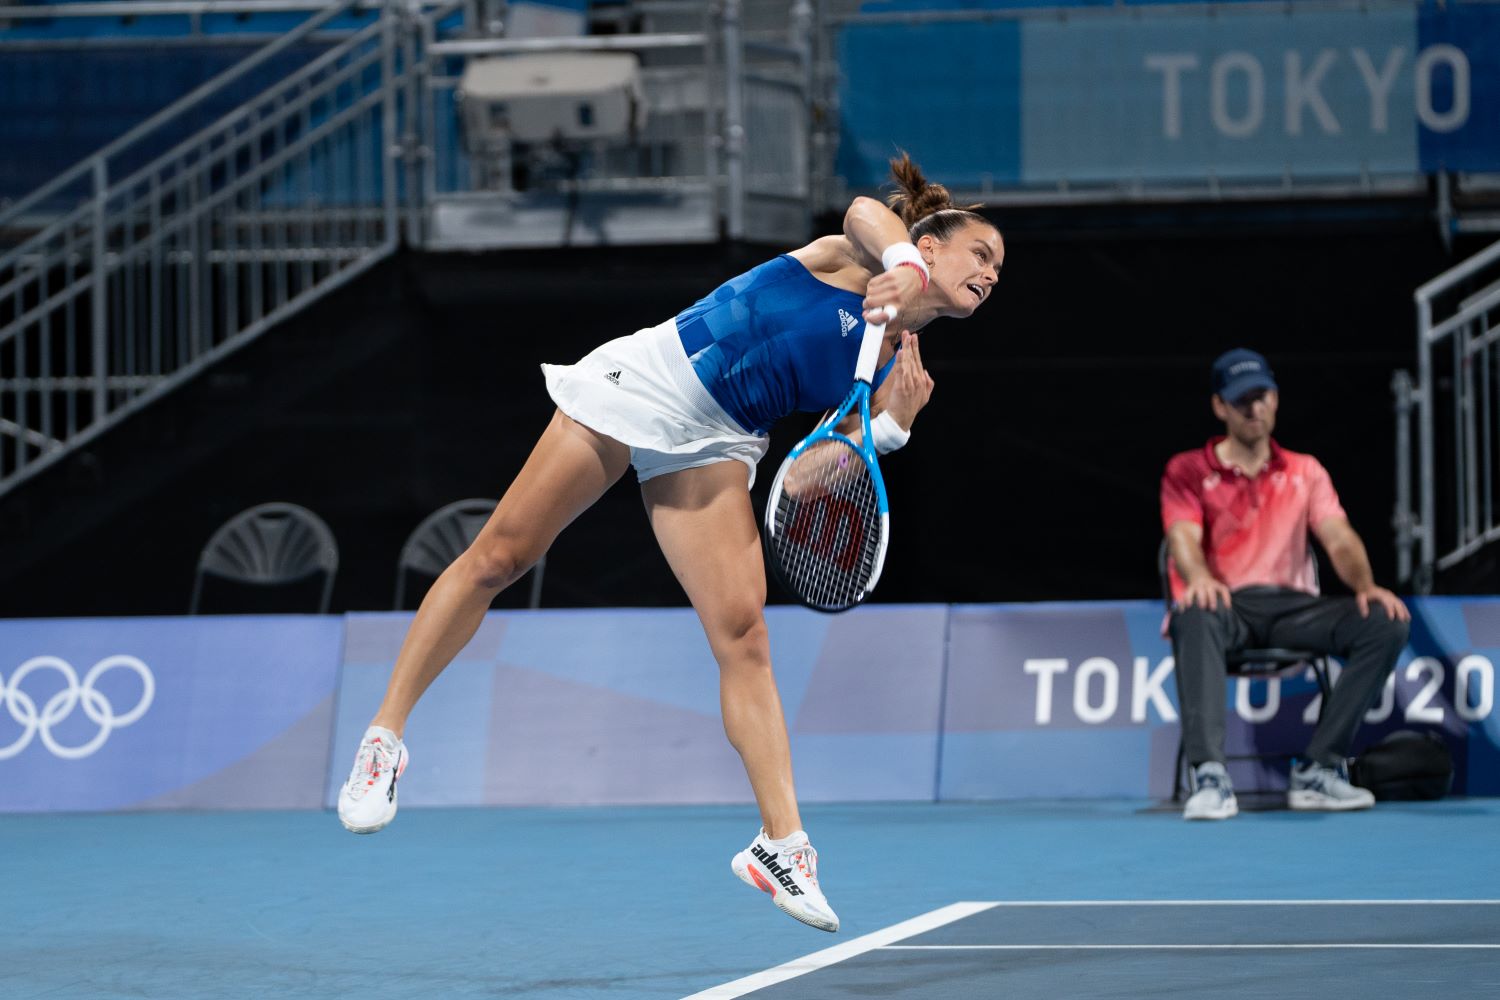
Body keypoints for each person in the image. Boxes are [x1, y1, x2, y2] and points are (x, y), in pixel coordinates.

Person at [335, 154, 1004, 931]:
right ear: (930, 243)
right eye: (981, 253)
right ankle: (385, 738)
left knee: (744, 636)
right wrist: (897, 264)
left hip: (720, 441)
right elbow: (862, 208)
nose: (991, 274)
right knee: (500, 558)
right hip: (655, 379)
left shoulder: (895, 365)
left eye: (999, 269)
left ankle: (782, 846)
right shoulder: (860, 255)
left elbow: (805, 480)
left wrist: (890, 428)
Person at [1161, 348, 1411, 821]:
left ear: (1275, 399)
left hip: (1295, 611)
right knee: (1191, 612)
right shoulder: (1188, 470)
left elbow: (1337, 536)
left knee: (1385, 622)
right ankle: (1210, 776)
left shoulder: (1304, 470)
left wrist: (1366, 586)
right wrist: (1199, 579)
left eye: (1261, 396)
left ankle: (1319, 768)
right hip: (1228, 607)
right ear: (1220, 406)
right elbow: (1182, 538)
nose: (1253, 408)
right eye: (1241, 400)